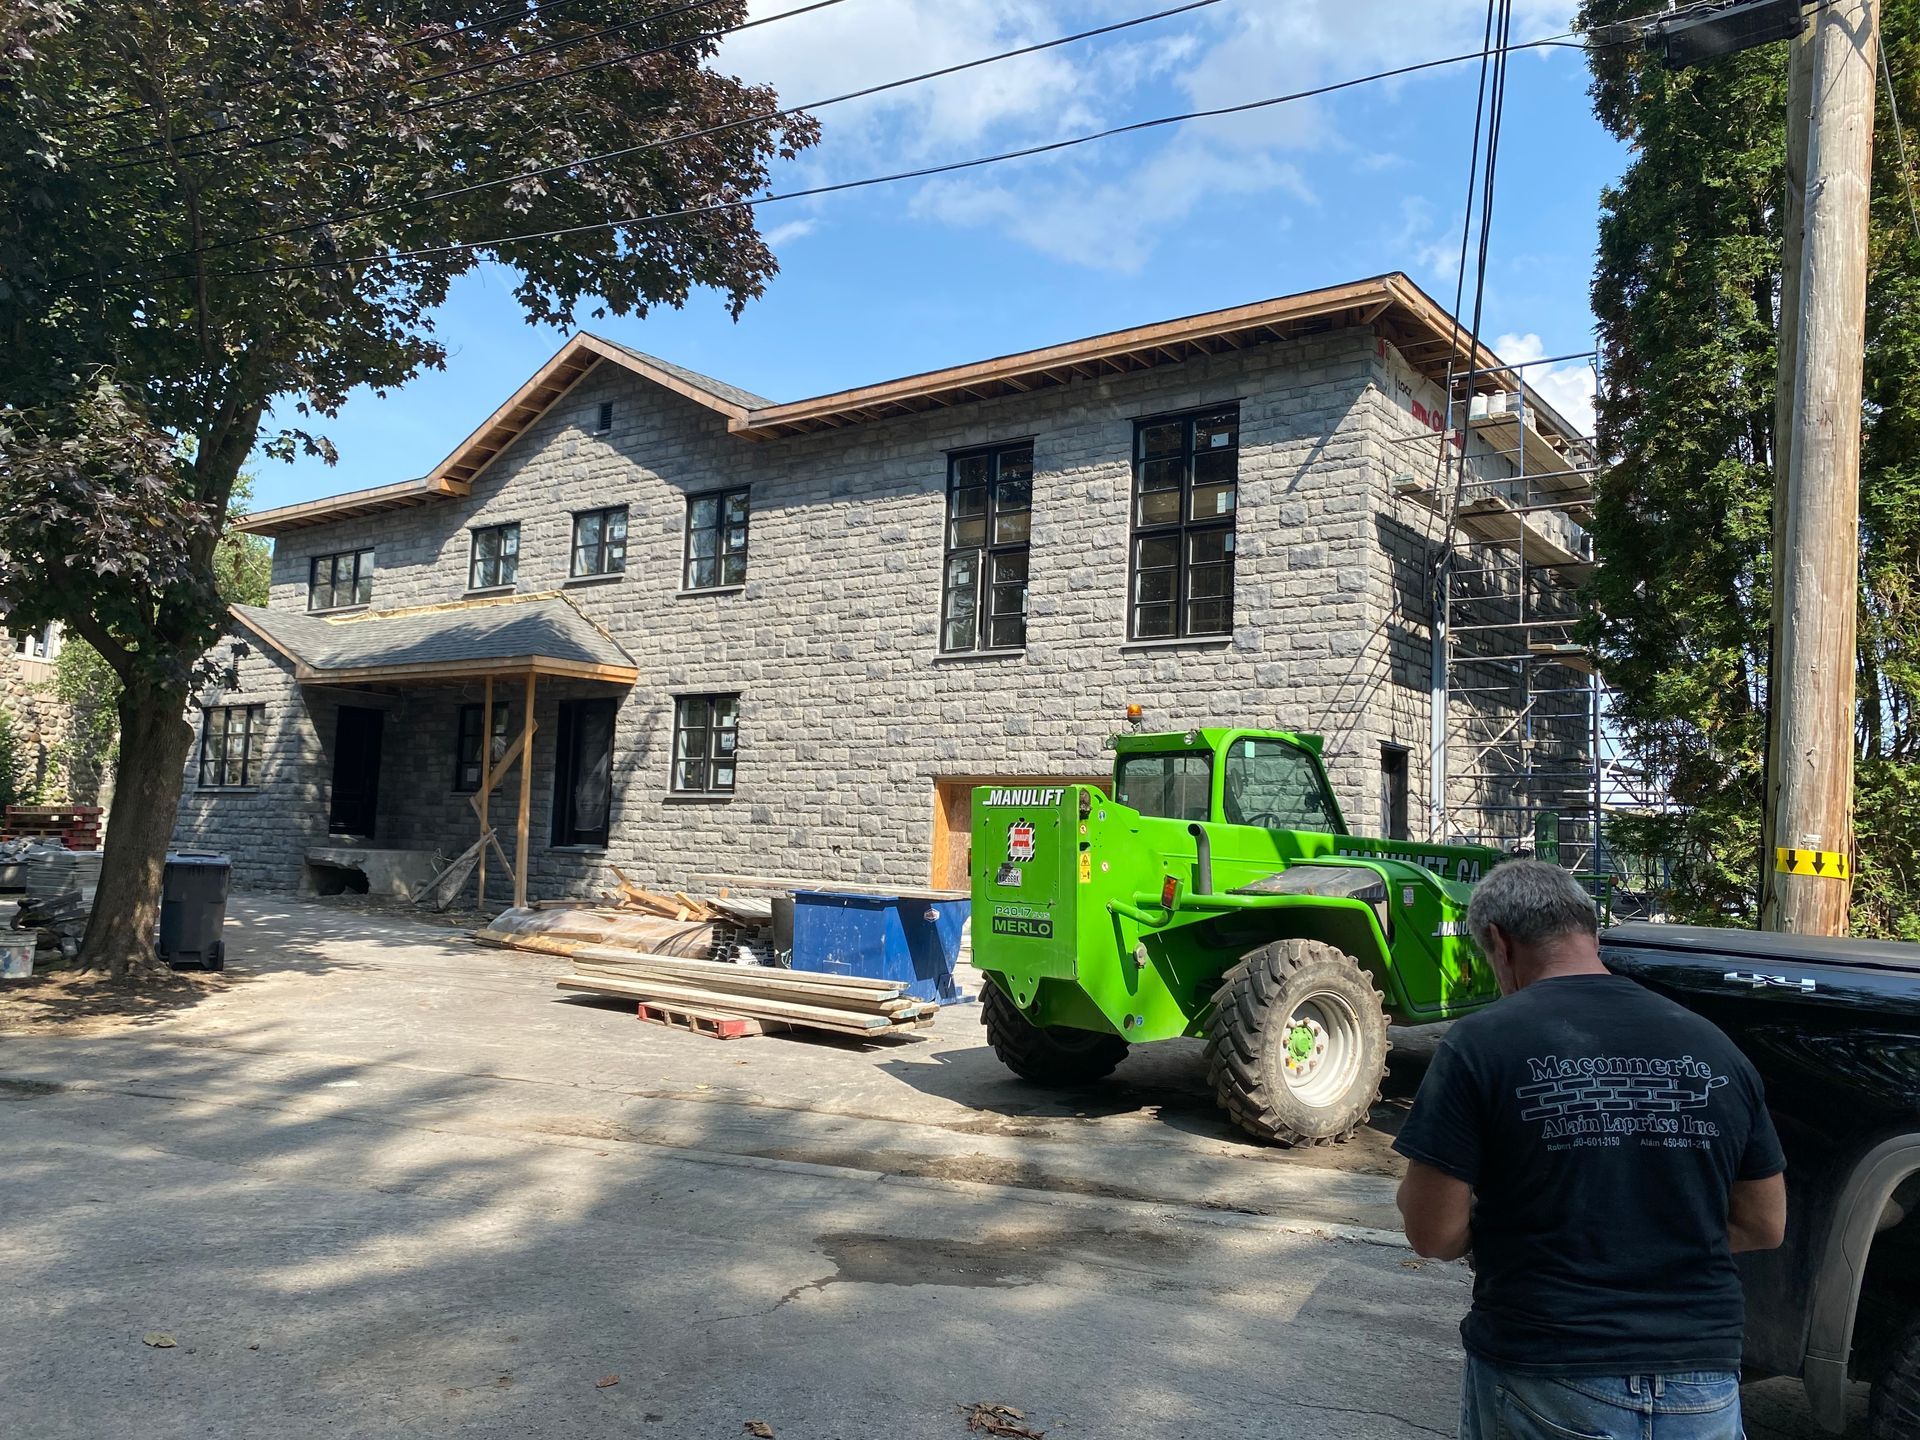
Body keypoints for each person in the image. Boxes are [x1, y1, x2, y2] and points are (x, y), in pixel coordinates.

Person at [1393, 860, 1788, 1440]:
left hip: (1548, 1366)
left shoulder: (1481, 1044)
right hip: (1701, 1380)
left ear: (1500, 945)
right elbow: (1765, 1223)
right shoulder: (1712, 1045)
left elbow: (1434, 1233)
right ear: (1591, 932)